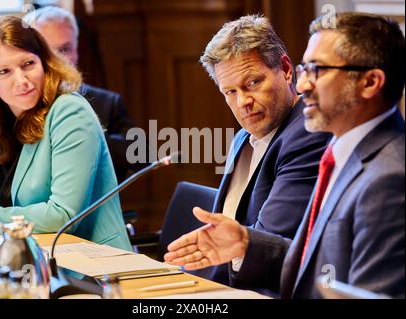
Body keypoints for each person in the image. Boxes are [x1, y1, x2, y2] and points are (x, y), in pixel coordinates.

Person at [165, 12, 405, 299]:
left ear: (370, 83)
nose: (303, 85)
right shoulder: (343, 154)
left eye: (318, 70)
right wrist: (245, 243)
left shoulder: (390, 178)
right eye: (307, 69)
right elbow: (314, 262)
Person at [179, 15, 331, 292]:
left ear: (286, 70)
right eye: (230, 91)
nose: (243, 102)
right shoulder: (242, 139)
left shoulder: (308, 135)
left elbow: (267, 244)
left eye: (252, 83)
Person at [0, 15, 132, 252]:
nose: (22, 81)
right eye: (5, 71)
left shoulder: (69, 111)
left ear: (44, 62)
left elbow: (62, 215)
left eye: (28, 64)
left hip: (93, 267)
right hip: (31, 259)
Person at [22, 6, 143, 182]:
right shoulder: (19, 101)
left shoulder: (107, 102)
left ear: (77, 49)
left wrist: (86, 134)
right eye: (48, 51)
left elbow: (142, 155)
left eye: (65, 50)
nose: (59, 60)